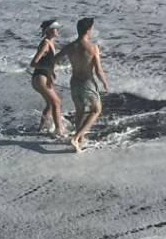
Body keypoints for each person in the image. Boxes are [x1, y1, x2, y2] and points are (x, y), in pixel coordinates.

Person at [62, 17, 111, 153]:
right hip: (87, 83)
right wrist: (105, 83)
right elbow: (98, 70)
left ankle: (80, 140)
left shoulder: (70, 47)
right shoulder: (93, 48)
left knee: (80, 112)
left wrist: (48, 72)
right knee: (96, 110)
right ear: (89, 30)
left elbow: (54, 59)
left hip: (74, 82)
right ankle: (76, 137)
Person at [29, 19, 65, 138]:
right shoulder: (45, 43)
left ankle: (41, 128)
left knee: (50, 104)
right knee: (56, 103)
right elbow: (33, 63)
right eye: (56, 28)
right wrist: (49, 70)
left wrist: (52, 72)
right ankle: (59, 131)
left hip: (43, 77)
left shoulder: (50, 43)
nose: (58, 30)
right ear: (49, 31)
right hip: (40, 77)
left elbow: (48, 62)